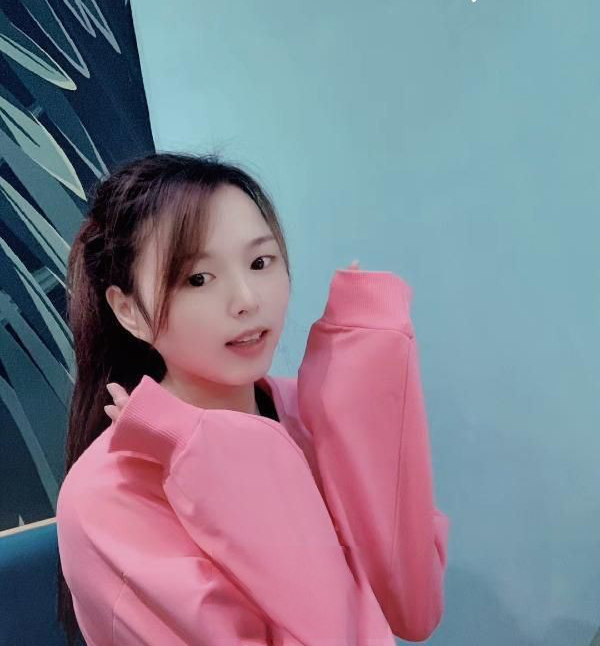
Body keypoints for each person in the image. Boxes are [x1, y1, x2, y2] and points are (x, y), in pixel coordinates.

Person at [56, 151, 450, 645]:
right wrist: (220, 457)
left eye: (260, 262)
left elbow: (413, 608)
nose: (247, 299)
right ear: (129, 310)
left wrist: (363, 387)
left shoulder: (307, 414)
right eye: (198, 279)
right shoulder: (106, 498)